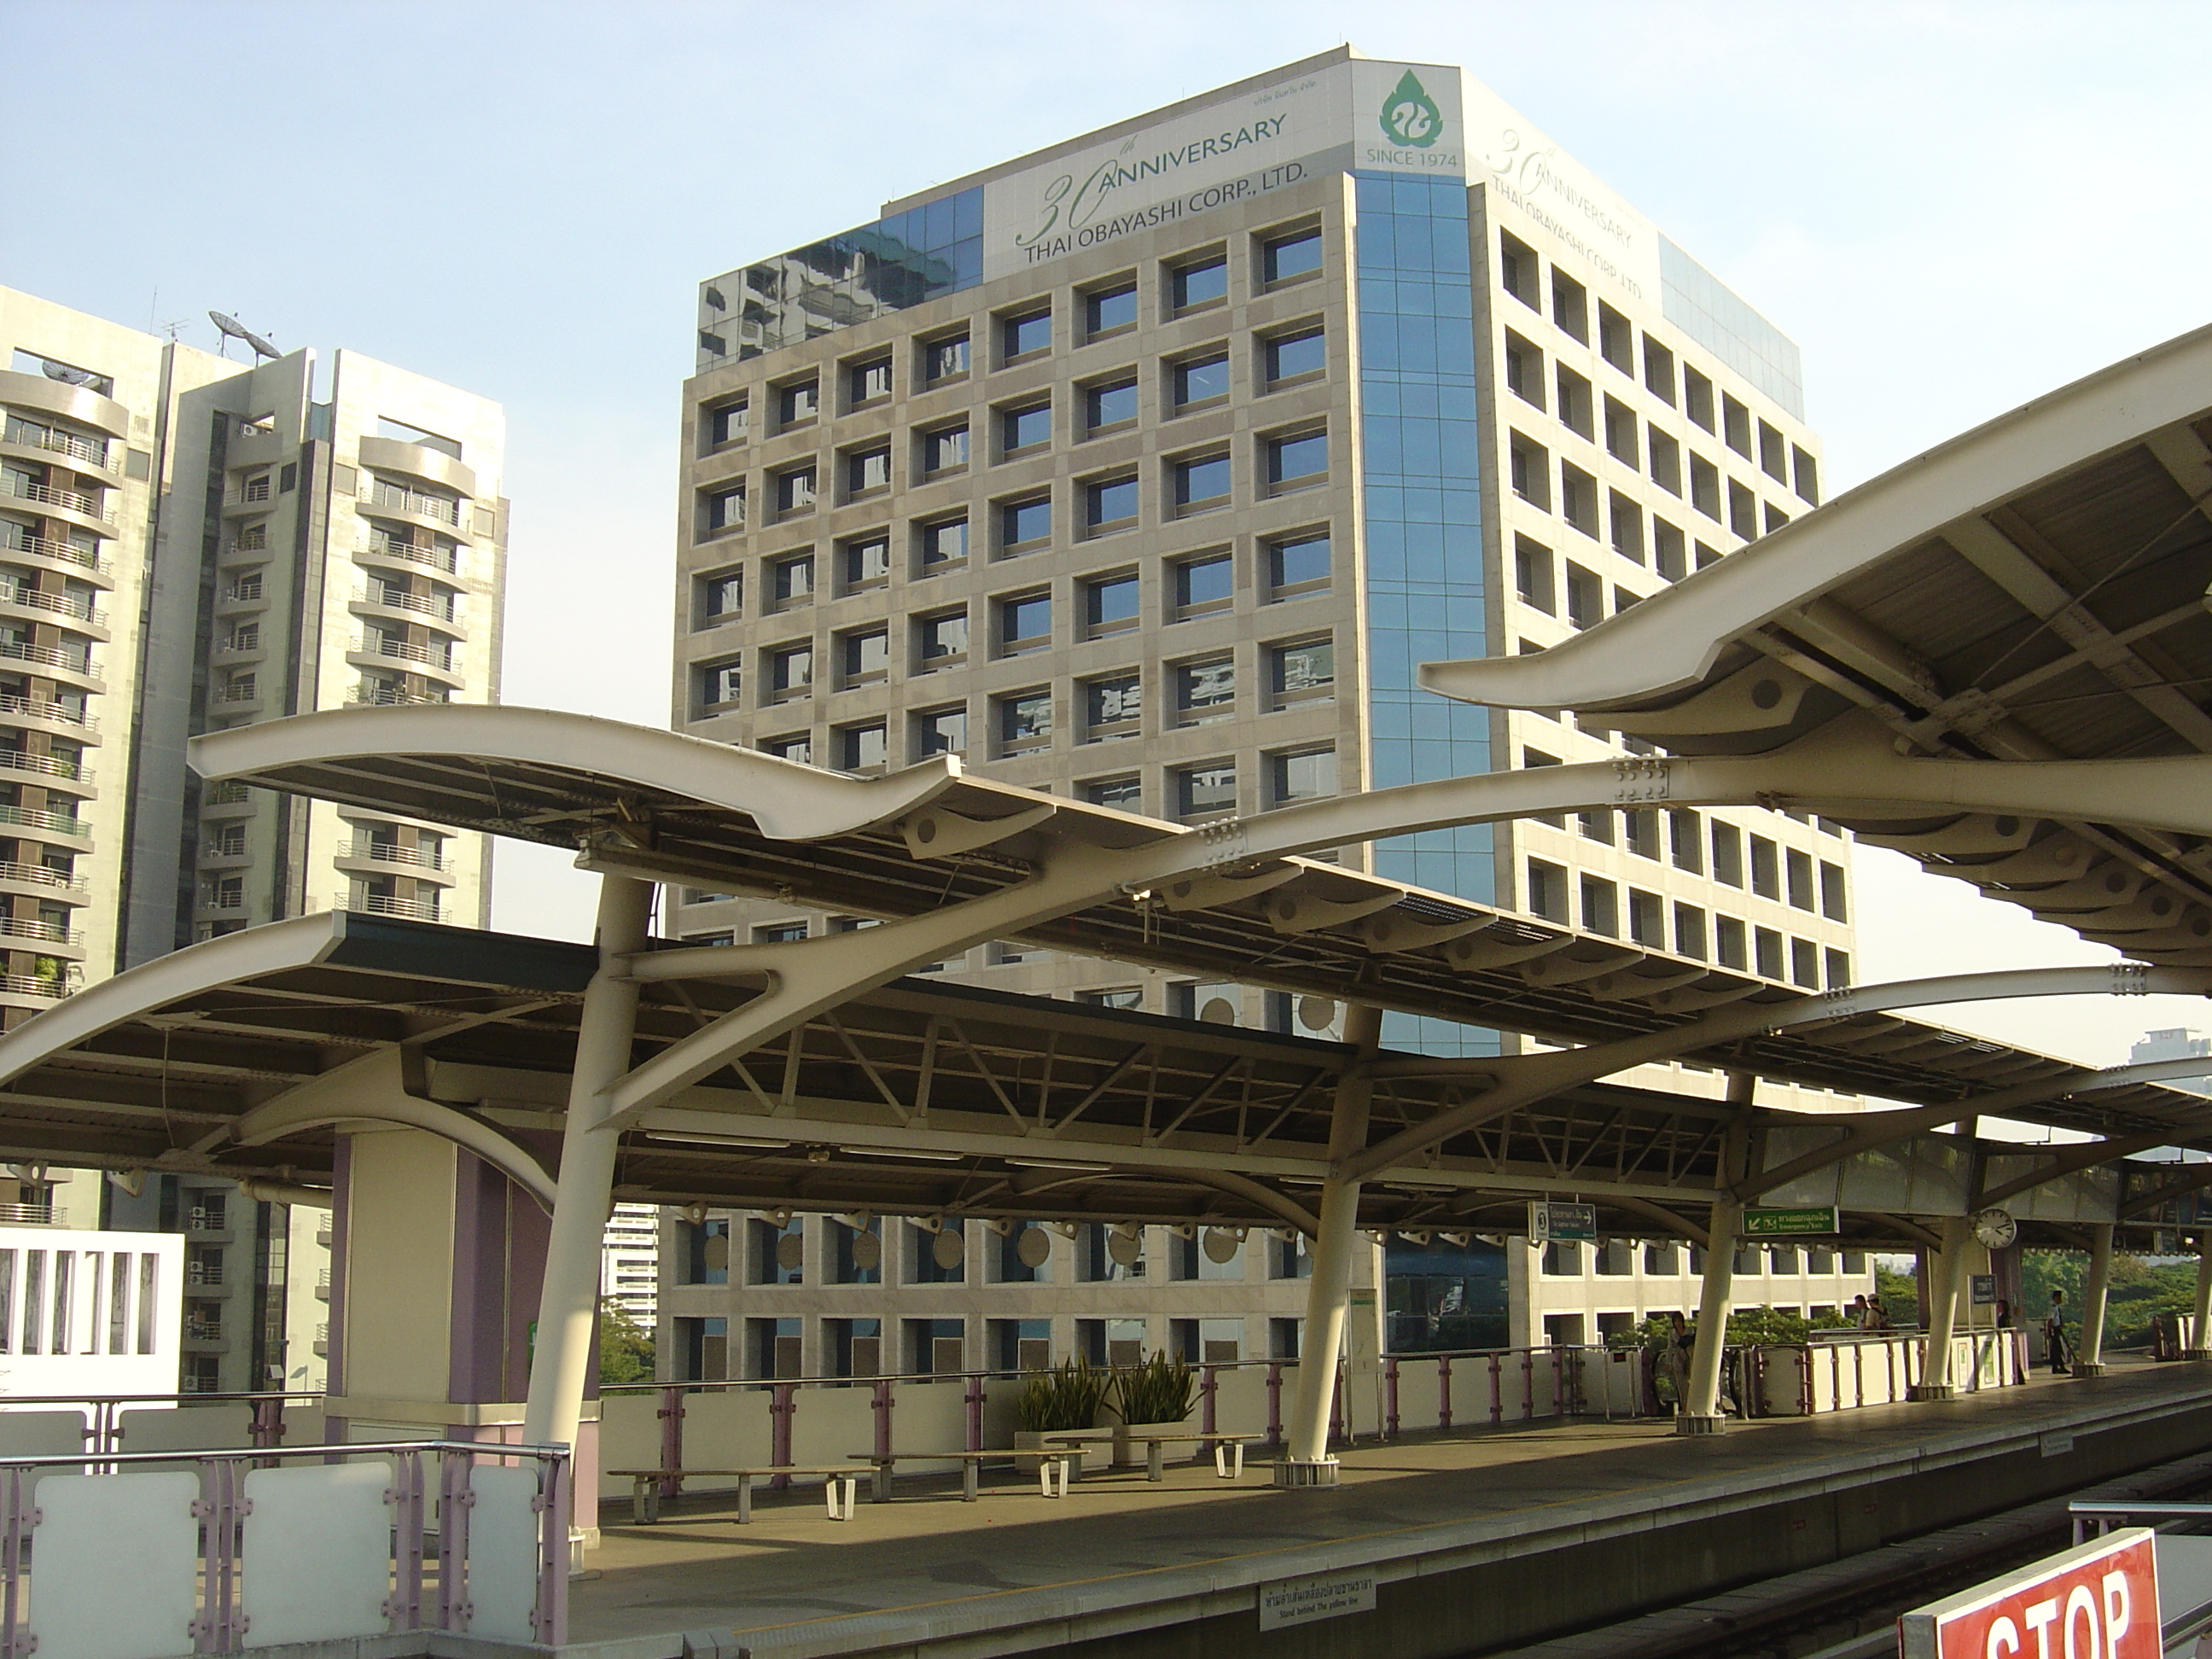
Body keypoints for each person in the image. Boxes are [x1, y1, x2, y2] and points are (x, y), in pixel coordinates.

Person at [2045, 1289, 2070, 1375]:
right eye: (2060, 1298)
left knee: (2056, 1349)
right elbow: (2050, 1320)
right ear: (2056, 1298)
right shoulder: (2053, 1307)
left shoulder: (2056, 1307)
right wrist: (2048, 1331)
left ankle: (2056, 1367)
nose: (2061, 1300)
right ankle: (2059, 1367)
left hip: (2057, 1329)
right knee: (2057, 1349)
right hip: (2054, 1329)